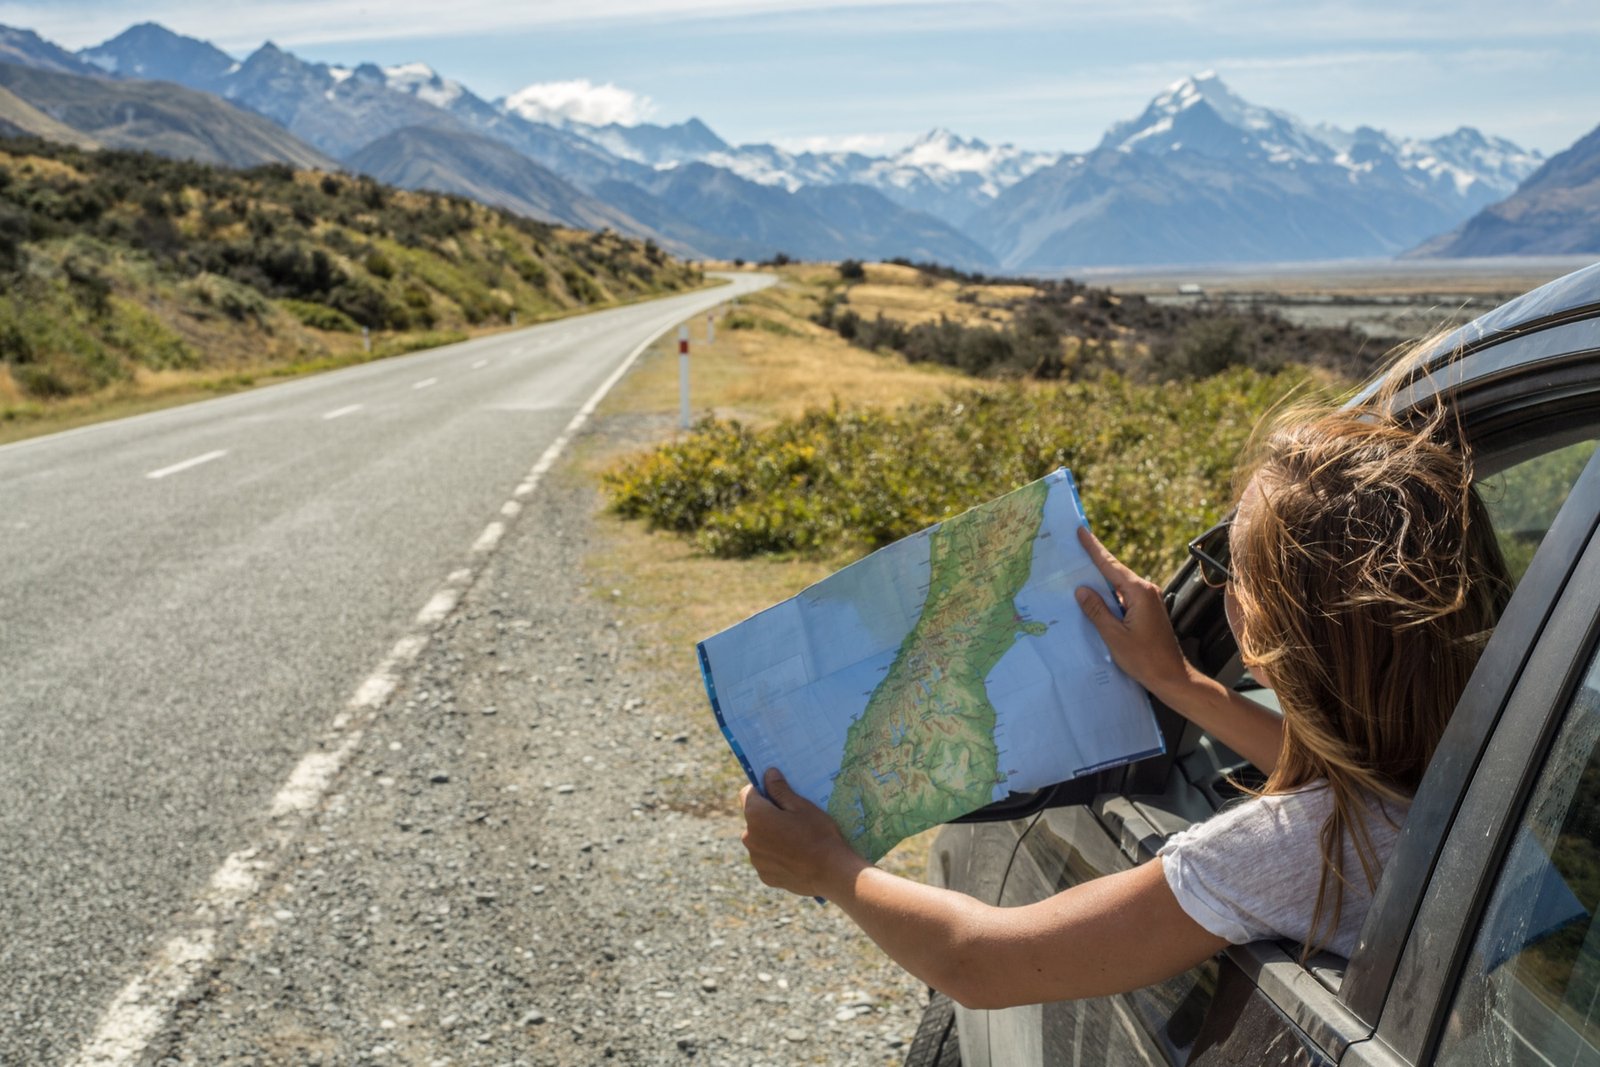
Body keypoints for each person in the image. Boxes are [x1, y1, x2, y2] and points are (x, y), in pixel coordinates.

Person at [737, 389, 1512, 1010]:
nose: (1219, 588)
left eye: (1226, 567)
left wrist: (830, 868)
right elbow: (1362, 778)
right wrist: (1177, 682)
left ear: (1266, 627)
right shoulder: (1493, 754)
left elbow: (978, 963)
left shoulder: (1292, 850)